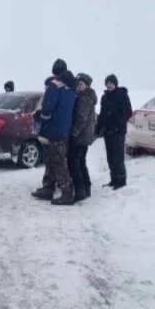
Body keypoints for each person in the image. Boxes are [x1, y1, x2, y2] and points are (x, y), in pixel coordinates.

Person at [31, 59, 77, 206]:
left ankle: (66, 193)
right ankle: (48, 187)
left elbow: (47, 108)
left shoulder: (54, 86)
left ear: (54, 72)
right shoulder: (71, 87)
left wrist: (40, 117)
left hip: (53, 128)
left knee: (57, 161)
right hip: (64, 128)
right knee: (54, 159)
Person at [96, 74, 133, 190]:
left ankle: (121, 181)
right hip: (108, 132)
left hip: (118, 132)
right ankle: (113, 179)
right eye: (107, 83)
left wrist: (118, 124)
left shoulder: (122, 95)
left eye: (111, 83)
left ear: (115, 84)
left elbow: (128, 113)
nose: (109, 85)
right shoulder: (104, 97)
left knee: (118, 157)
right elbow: (102, 115)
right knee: (110, 157)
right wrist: (98, 128)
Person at [69, 73, 97, 201]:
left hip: (80, 136)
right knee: (80, 162)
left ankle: (80, 190)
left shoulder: (84, 98)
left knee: (75, 163)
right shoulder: (85, 96)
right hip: (84, 136)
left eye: (80, 84)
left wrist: (73, 133)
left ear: (87, 85)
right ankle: (86, 187)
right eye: (77, 84)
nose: (78, 86)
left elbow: (81, 119)